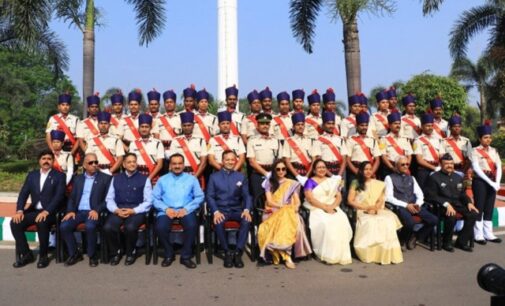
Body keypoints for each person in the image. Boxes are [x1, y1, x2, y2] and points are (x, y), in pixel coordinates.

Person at [10, 149, 66, 268]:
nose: (46, 161)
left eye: (49, 159)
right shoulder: (32, 175)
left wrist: (47, 211)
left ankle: (43, 256)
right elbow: (23, 194)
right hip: (34, 211)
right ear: (39, 161)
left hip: (51, 212)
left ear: (53, 161)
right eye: (43, 159)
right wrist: (19, 210)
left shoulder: (60, 176)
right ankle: (26, 254)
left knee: (42, 221)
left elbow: (59, 196)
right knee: (15, 223)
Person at [152, 153, 205, 268]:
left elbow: (200, 197)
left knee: (191, 226)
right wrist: (165, 209)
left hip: (186, 209)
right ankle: (168, 253)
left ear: (183, 165)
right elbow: (154, 198)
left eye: (180, 163)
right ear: (170, 165)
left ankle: (185, 256)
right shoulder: (162, 179)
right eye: (174, 164)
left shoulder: (192, 179)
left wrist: (187, 209)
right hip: (167, 209)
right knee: (160, 227)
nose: (177, 166)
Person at [60, 153, 112, 267]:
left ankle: (92, 255)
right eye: (91, 163)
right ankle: (74, 253)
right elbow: (72, 198)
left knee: (90, 226)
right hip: (78, 212)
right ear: (84, 165)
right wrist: (70, 211)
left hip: (93, 211)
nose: (94, 165)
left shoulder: (106, 178)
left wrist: (97, 210)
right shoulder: (78, 179)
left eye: (96, 162)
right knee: (64, 226)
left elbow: (108, 199)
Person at [257, 160, 312, 269]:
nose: (281, 171)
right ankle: (287, 256)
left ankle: (286, 255)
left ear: (286, 170)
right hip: (273, 211)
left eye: (283, 169)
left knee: (287, 216)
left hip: (288, 211)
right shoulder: (270, 182)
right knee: (285, 216)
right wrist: (281, 207)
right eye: (278, 169)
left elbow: (297, 201)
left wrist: (296, 206)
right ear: (274, 170)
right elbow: (269, 202)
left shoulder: (292, 183)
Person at [347, 161, 403, 265]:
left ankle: (386, 253)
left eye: (370, 169)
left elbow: (380, 200)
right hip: (362, 209)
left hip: (377, 209)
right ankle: (370, 254)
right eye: (365, 169)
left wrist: (375, 208)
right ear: (361, 171)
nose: (368, 171)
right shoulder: (355, 182)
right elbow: (350, 200)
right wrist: (367, 207)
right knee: (370, 222)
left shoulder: (377, 183)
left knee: (387, 221)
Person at [104, 153, 153, 265]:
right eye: (129, 162)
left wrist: (134, 210)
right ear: (124, 164)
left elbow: (149, 201)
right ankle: (116, 252)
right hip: (119, 209)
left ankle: (131, 252)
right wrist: (116, 210)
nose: (132, 164)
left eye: (134, 161)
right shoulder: (115, 178)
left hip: (136, 211)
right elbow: (109, 198)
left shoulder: (144, 179)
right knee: (108, 227)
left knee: (130, 227)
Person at [206, 150, 253, 268]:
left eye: (232, 159)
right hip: (221, 210)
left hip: (236, 210)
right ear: (222, 161)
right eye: (227, 159)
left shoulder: (241, 176)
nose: (230, 162)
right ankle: (227, 251)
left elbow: (247, 196)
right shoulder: (214, 177)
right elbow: (210, 196)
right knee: (218, 222)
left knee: (246, 220)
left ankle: (238, 252)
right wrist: (215, 212)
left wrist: (246, 210)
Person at [425, 154, 479, 252]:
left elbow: (462, 194)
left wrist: (468, 202)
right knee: (451, 216)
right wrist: (445, 204)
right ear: (440, 165)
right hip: (441, 206)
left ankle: (461, 242)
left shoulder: (458, 177)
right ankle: (447, 242)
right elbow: (431, 196)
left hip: (457, 204)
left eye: (451, 163)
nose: (449, 165)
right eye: (446, 164)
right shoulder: (434, 177)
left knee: (473, 214)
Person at [303, 159, 352, 264]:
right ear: (314, 170)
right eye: (319, 167)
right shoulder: (310, 181)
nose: (321, 169)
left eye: (323, 167)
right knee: (326, 223)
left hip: (332, 206)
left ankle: (341, 254)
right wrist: (325, 208)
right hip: (316, 207)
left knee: (341, 220)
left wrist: (332, 207)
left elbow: (338, 197)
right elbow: (310, 199)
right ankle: (325, 253)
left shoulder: (331, 181)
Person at [385, 156, 438, 250]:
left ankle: (416, 237)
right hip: (400, 206)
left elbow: (420, 194)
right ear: (396, 166)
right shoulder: (389, 178)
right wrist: (406, 205)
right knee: (410, 223)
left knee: (433, 220)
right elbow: (388, 197)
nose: (406, 166)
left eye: (407, 164)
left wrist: (418, 203)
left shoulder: (412, 178)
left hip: (414, 205)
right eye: (402, 164)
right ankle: (401, 240)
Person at [471, 122, 502, 244]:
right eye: (485, 137)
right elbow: (476, 168)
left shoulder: (494, 151)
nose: (488, 139)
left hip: (493, 181)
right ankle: (478, 234)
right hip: (480, 181)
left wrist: (497, 182)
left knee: (489, 206)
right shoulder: (475, 151)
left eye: (489, 137)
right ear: (480, 139)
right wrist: (490, 182)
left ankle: (488, 233)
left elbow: (498, 166)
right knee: (480, 206)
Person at [246, 113, 282, 201]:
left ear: (270, 125)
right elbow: (252, 161)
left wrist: (273, 173)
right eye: (262, 123)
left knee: (275, 199)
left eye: (267, 123)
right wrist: (265, 173)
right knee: (258, 200)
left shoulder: (276, 141)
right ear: (257, 125)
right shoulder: (252, 141)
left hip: (274, 174)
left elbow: (280, 160)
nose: (265, 126)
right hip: (258, 174)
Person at [169, 112, 208, 186]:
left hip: (196, 173)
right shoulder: (175, 141)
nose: (187, 127)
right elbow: (172, 162)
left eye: (189, 125)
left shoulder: (200, 140)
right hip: (179, 174)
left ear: (193, 125)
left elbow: (203, 163)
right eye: (184, 125)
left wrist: (194, 178)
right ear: (181, 126)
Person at [283, 112, 321, 184]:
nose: (300, 127)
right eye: (298, 125)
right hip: (293, 174)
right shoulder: (288, 141)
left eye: (302, 124)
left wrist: (307, 176)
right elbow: (287, 161)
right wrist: (297, 176)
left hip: (308, 172)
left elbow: (314, 160)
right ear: (293, 127)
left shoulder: (311, 140)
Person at [346, 112, 381, 187]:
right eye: (362, 125)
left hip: (369, 172)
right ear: (356, 125)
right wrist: (358, 173)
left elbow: (377, 160)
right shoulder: (350, 140)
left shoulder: (373, 140)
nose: (364, 127)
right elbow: (347, 160)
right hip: (355, 171)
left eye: (366, 125)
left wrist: (370, 173)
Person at [128, 114, 164, 184]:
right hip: (137, 176)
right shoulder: (133, 144)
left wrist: (149, 178)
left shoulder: (158, 143)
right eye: (142, 127)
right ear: (139, 128)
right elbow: (130, 162)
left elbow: (160, 164)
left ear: (150, 128)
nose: (144, 129)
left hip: (153, 176)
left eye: (146, 127)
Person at [414, 113, 445, 190]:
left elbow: (442, 155)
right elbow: (419, 160)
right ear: (422, 126)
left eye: (431, 125)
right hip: (424, 170)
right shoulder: (418, 141)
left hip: (438, 168)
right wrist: (433, 168)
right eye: (427, 126)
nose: (430, 128)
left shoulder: (438, 140)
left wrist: (441, 167)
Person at [378, 111, 413, 179]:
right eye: (395, 124)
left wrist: (406, 166)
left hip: (404, 169)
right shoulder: (383, 139)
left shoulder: (405, 139)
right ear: (390, 125)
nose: (398, 125)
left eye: (399, 123)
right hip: (390, 169)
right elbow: (383, 157)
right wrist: (392, 168)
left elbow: (409, 155)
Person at [45, 93, 79, 157]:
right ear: (59, 106)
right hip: (56, 151)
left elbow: (79, 138)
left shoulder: (76, 119)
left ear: (70, 106)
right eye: (63, 105)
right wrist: (52, 150)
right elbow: (48, 136)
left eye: (67, 105)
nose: (65, 107)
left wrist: (72, 152)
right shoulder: (52, 119)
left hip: (71, 150)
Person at [317, 111, 347, 177]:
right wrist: (331, 176)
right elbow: (318, 159)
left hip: (339, 171)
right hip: (324, 172)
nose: (331, 126)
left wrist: (338, 176)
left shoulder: (340, 139)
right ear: (324, 125)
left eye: (333, 124)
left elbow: (344, 160)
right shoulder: (318, 140)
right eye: (328, 124)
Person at [153, 90, 181, 159]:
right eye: (167, 102)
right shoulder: (158, 119)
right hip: (163, 152)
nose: (169, 104)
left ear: (175, 103)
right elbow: (156, 137)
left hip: (177, 151)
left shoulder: (180, 118)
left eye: (171, 102)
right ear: (164, 104)